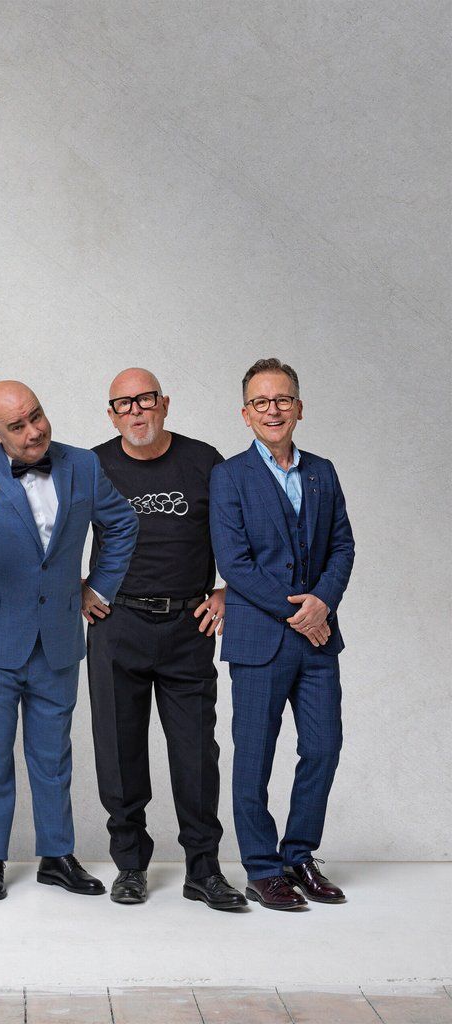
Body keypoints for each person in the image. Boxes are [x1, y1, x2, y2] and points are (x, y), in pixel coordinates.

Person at [0, 381, 137, 901]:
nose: (34, 431)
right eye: (16, 426)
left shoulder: (82, 464)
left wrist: (97, 588)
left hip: (56, 639)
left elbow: (122, 524)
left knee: (53, 757)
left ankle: (57, 856)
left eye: (36, 416)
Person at [86, 367, 245, 910]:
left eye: (145, 399)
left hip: (187, 626)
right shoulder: (94, 465)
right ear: (112, 415)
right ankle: (130, 865)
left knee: (196, 754)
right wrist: (75, 587)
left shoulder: (205, 462)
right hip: (117, 625)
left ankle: (204, 869)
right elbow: (52, 532)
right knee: (119, 751)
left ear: (165, 403)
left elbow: (242, 534)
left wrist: (228, 591)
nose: (136, 411)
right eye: (123, 403)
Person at [210, 358, 354, 910]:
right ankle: (262, 868)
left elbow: (342, 545)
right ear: (246, 413)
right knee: (254, 757)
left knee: (323, 747)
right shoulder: (229, 476)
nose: (273, 410)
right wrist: (299, 612)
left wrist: (323, 602)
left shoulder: (323, 472)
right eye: (261, 402)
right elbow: (235, 563)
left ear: (299, 407)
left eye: (283, 399)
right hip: (261, 640)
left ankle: (298, 856)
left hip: (318, 638)